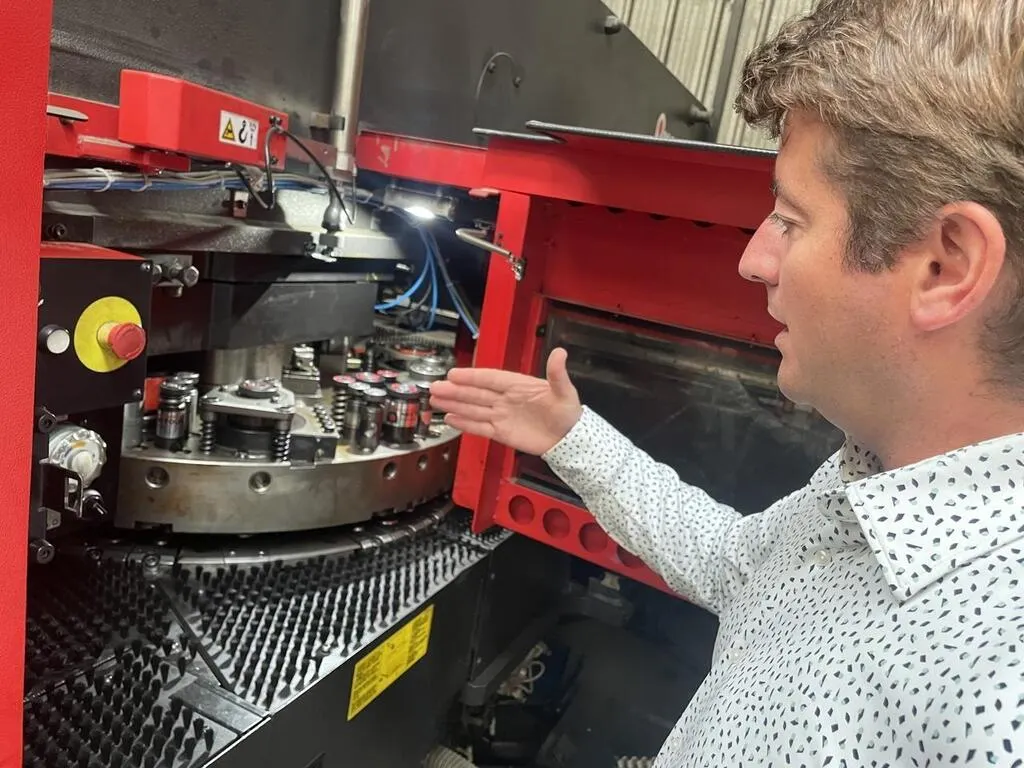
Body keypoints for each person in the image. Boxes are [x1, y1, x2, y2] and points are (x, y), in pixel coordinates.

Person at [430, 0, 1024, 765]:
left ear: (946, 267)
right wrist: (571, 437)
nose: (753, 260)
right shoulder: (868, 481)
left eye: (791, 220)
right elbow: (738, 564)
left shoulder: (994, 707)